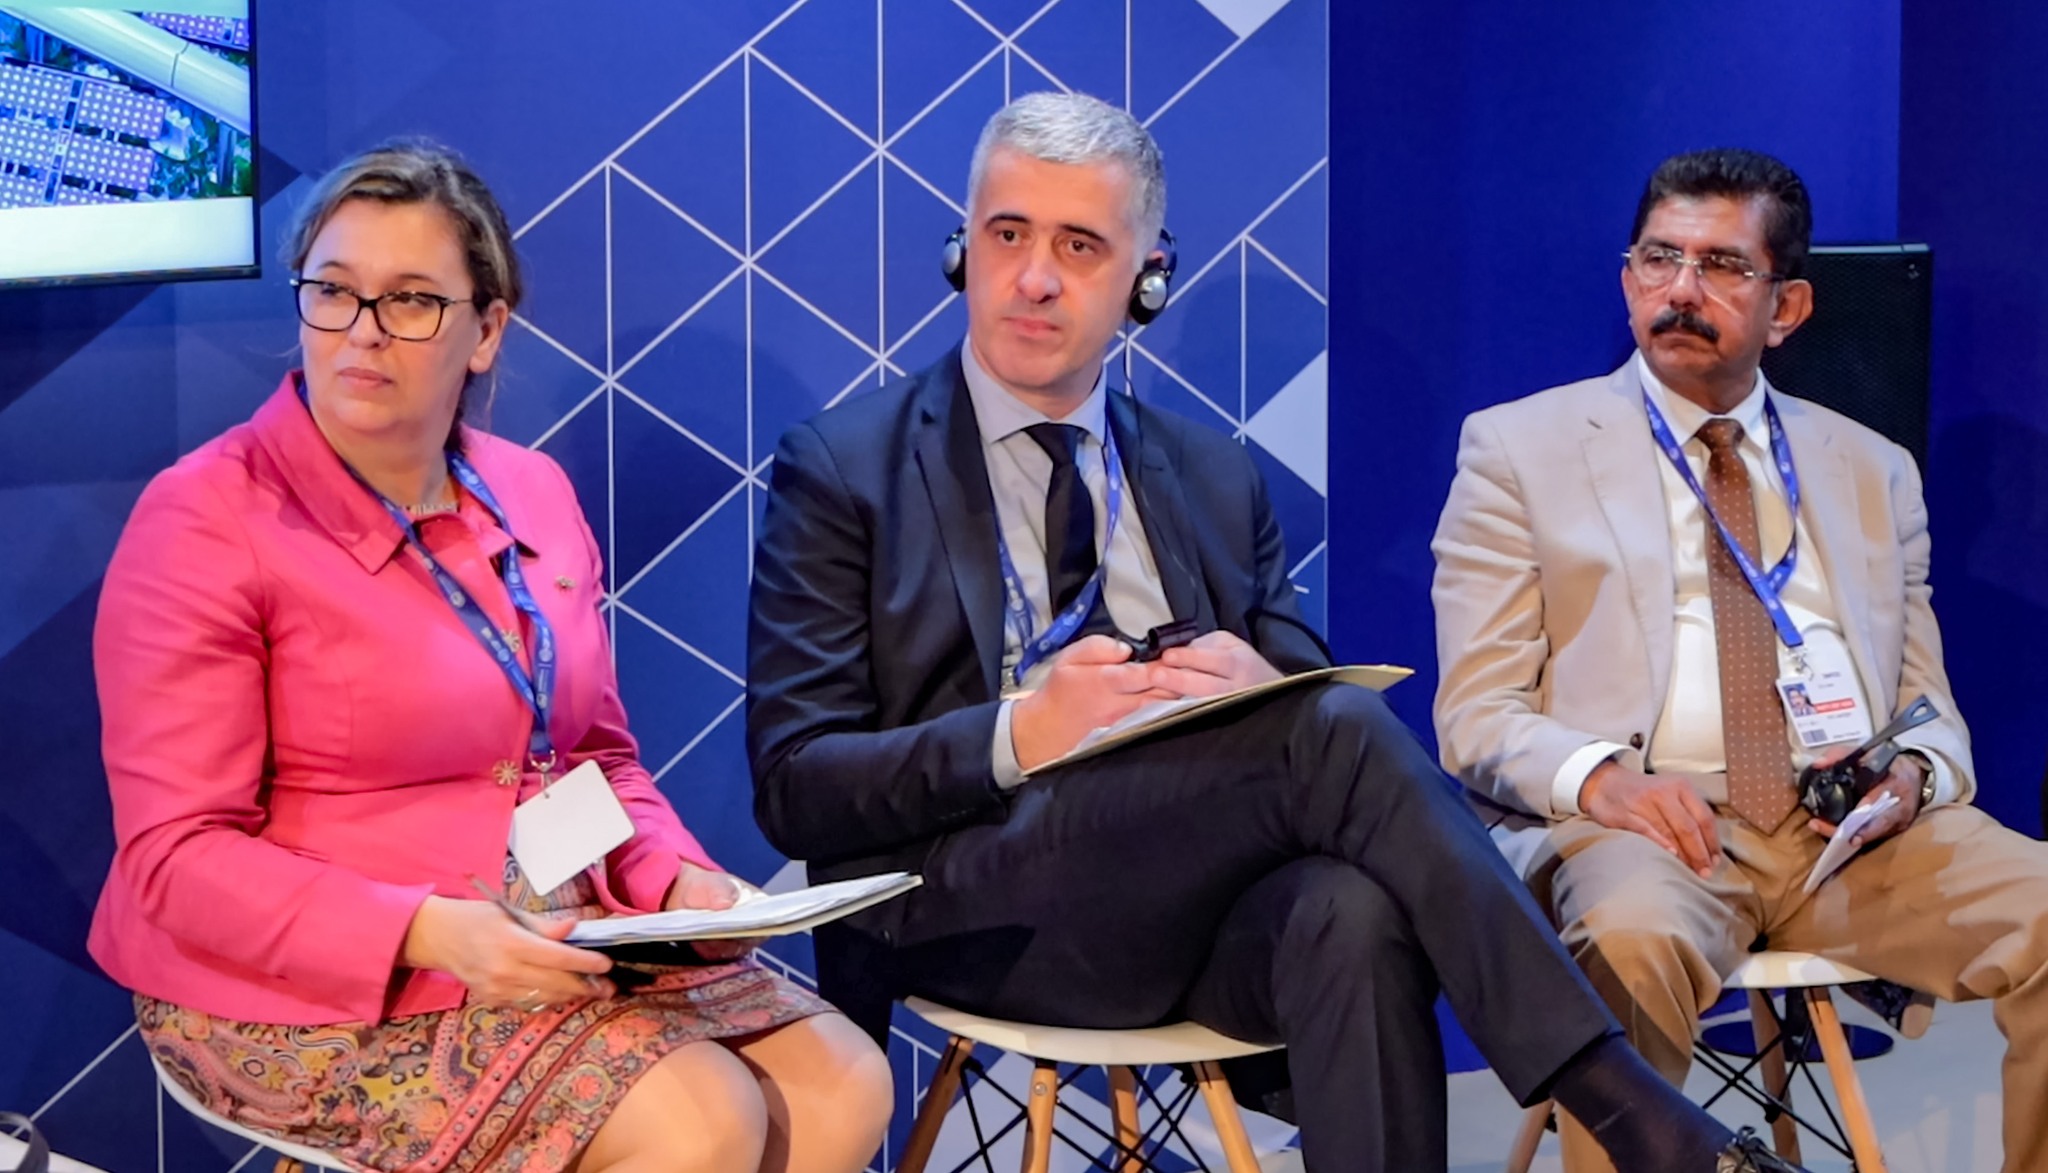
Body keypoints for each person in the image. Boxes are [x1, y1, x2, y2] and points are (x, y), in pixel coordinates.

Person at [747, 93, 1801, 1173]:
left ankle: (1620, 1113)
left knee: (1349, 911)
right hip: (978, 904)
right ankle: (1625, 1105)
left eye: (1079, 245)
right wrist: (1021, 733)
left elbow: (1308, 716)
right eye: (1006, 234)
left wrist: (1256, 679)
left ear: (1147, 275)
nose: (1034, 278)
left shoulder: (1209, 472)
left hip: (1189, 908)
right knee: (1334, 732)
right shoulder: (845, 467)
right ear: (960, 248)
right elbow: (794, 784)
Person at [89, 139, 892, 1173]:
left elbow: (590, 755)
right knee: (701, 1122)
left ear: (486, 330)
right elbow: (174, 859)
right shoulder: (203, 518)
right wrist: (427, 931)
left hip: (547, 926)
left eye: (411, 300)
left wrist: (670, 877)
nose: (362, 330)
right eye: (333, 292)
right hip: (310, 977)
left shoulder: (534, 492)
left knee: (845, 1082)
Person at [1432, 147, 2048, 1173]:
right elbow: (1477, 715)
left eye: (1721, 266)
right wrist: (1605, 782)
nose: (1681, 290)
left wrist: (1908, 775)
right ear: (1627, 278)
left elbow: (1925, 703)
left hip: (1845, 838)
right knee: (1628, 943)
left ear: (1786, 306)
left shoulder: (1872, 468)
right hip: (1645, 827)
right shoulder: (1516, 451)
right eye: (1658, 259)